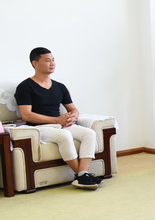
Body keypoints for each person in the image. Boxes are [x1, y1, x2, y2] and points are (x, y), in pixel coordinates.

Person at [14, 47, 104, 190]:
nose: (52, 63)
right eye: (47, 60)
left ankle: (82, 174)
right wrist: (56, 120)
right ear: (35, 63)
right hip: (40, 128)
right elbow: (26, 115)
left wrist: (73, 116)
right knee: (64, 135)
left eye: (53, 60)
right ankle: (82, 176)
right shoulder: (25, 87)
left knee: (89, 133)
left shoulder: (60, 87)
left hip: (61, 125)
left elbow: (73, 109)